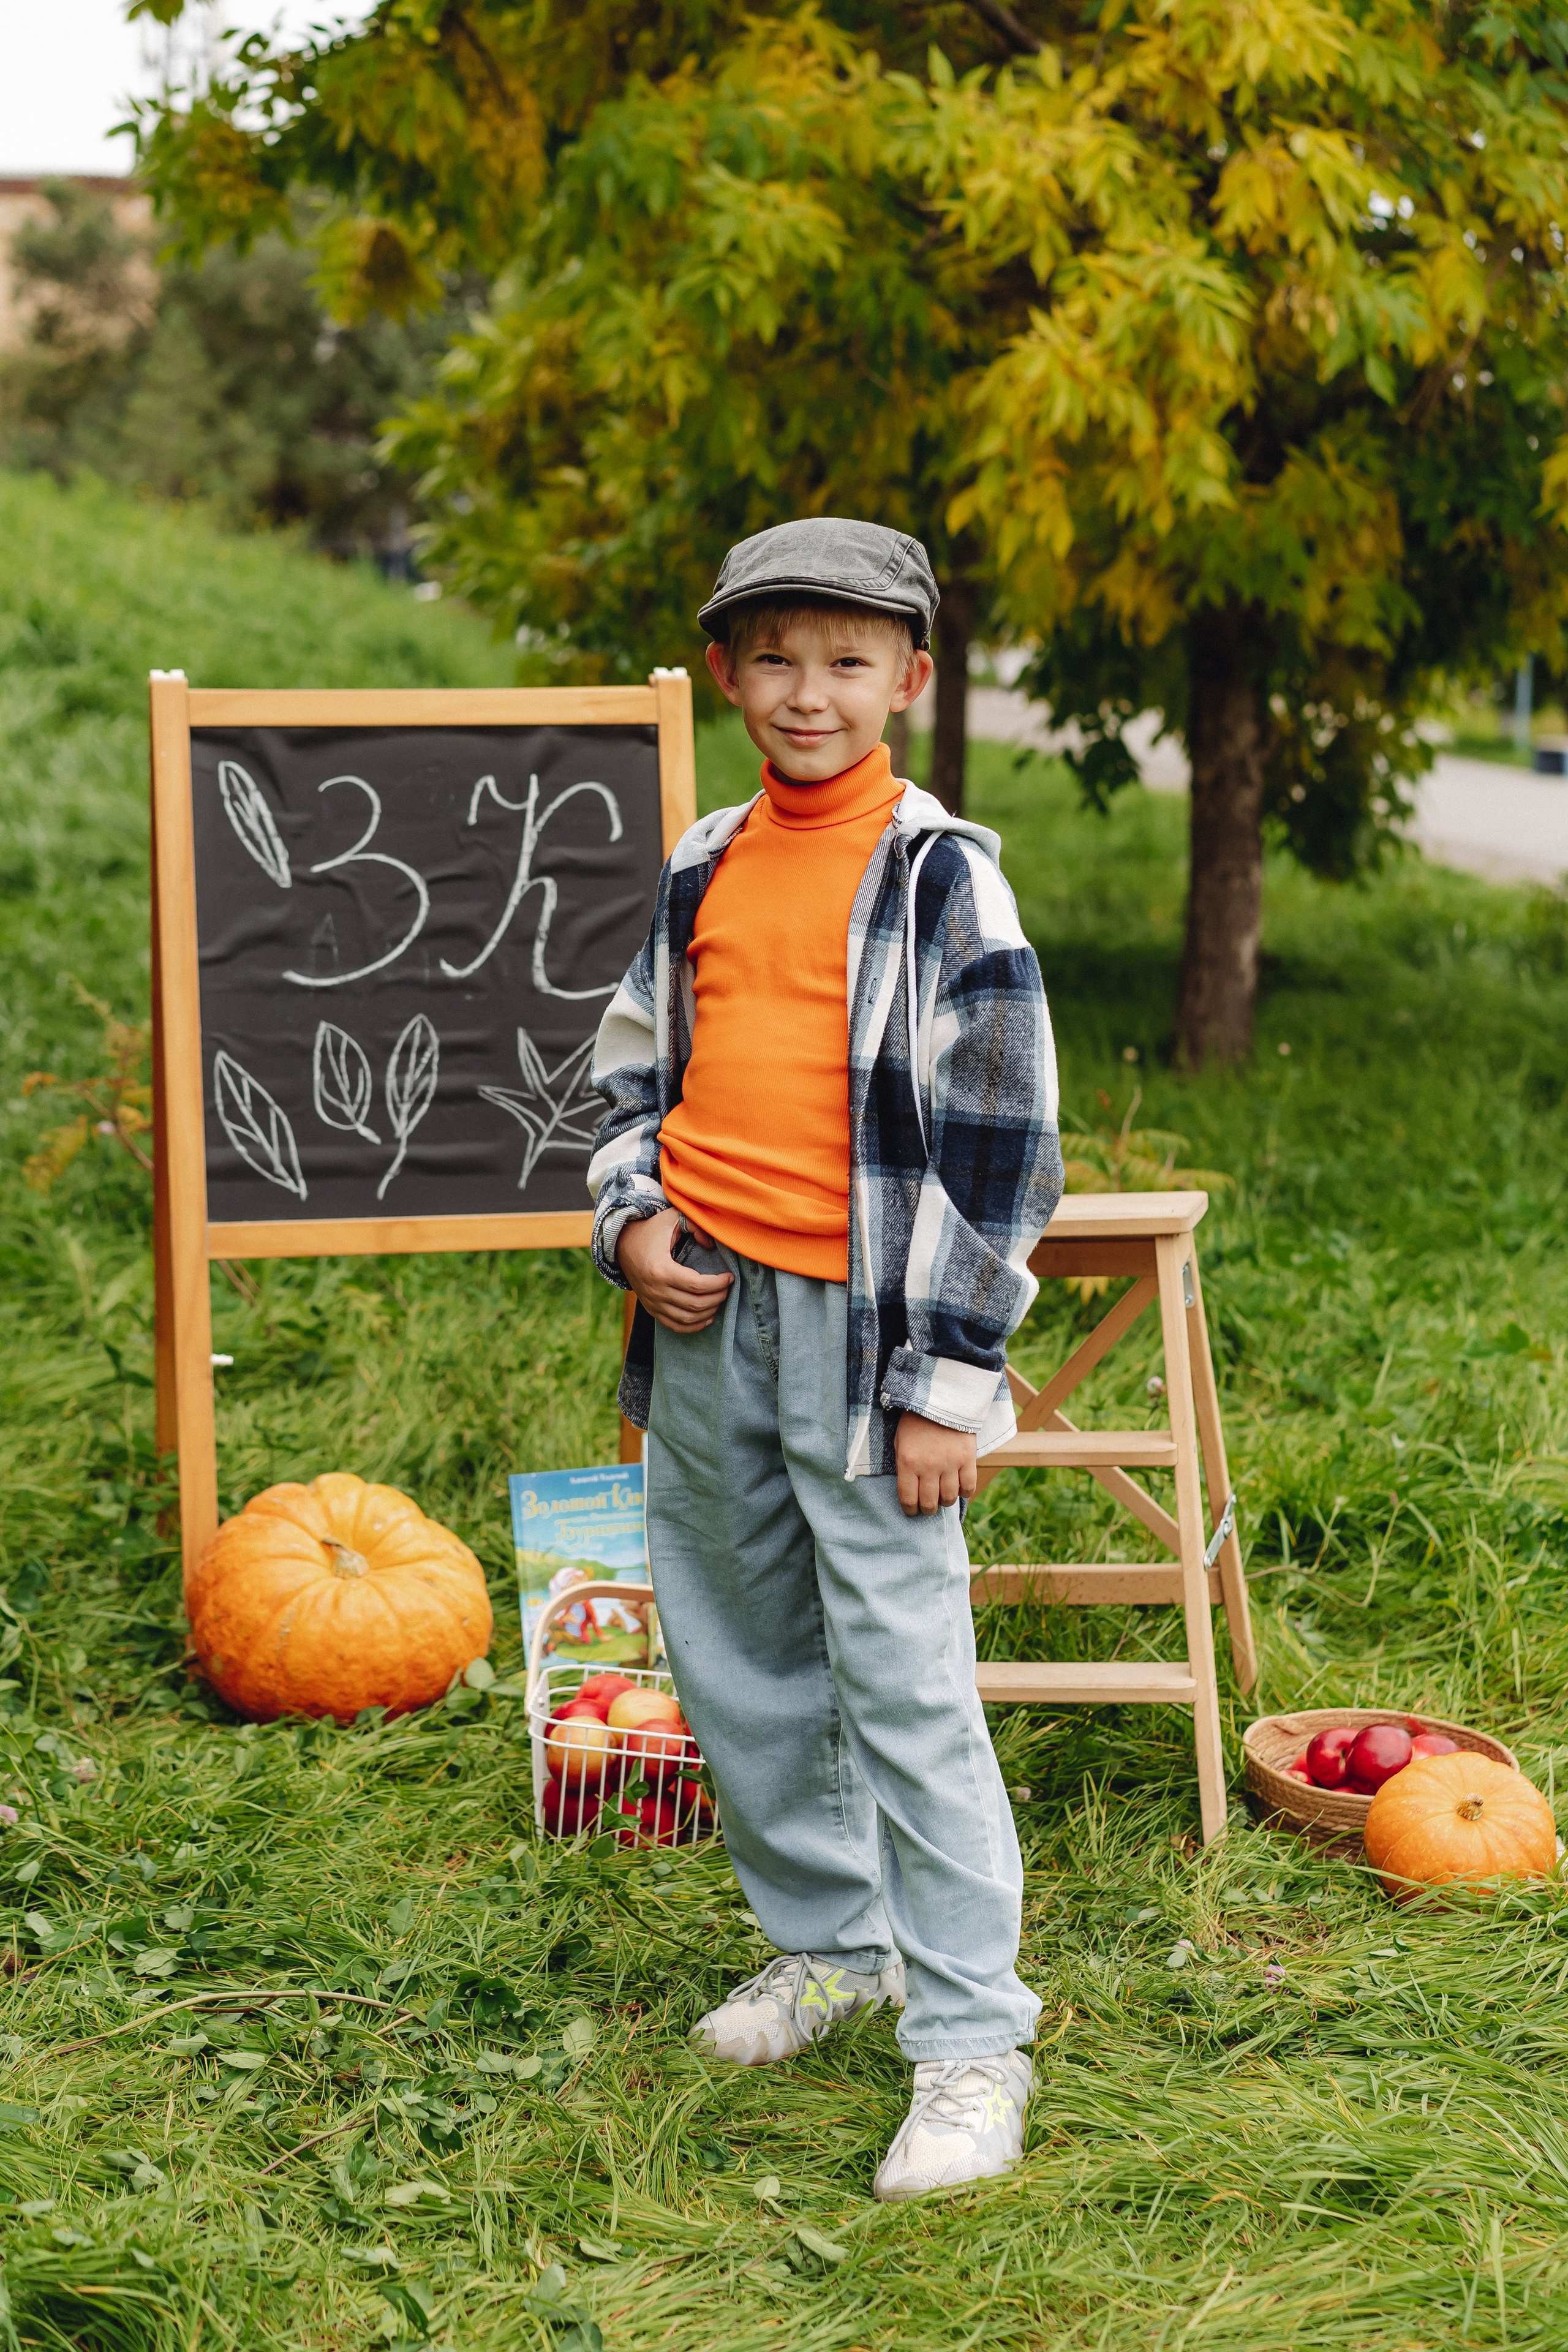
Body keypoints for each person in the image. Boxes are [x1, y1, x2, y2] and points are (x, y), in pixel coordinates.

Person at [587, 517, 1063, 2200]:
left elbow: (1005, 1151)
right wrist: (634, 1223)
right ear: (727, 673)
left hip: (873, 1340)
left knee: (904, 1675)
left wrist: (948, 1380)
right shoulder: (705, 860)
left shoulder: (942, 880)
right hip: (711, 1315)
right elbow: (632, 1071)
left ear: (909, 680)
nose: (810, 692)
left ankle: (972, 2036)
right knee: (738, 1650)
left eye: (849, 661)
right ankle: (832, 1942)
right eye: (777, 658)